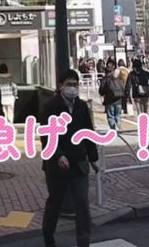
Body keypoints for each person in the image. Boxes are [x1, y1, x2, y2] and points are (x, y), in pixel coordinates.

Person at [40, 69, 99, 247]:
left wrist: (93, 158)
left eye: (75, 85)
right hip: (57, 164)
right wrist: (58, 155)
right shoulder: (50, 106)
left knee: (82, 204)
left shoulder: (81, 106)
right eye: (69, 85)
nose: (73, 88)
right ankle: (48, 238)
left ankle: (83, 242)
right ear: (60, 86)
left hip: (79, 162)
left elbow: (88, 132)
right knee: (54, 203)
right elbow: (46, 135)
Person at [99, 59, 125, 130]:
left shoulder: (105, 79)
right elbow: (123, 88)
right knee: (118, 115)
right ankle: (119, 126)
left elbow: (101, 91)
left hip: (109, 101)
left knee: (110, 116)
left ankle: (113, 129)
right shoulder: (117, 79)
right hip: (119, 100)